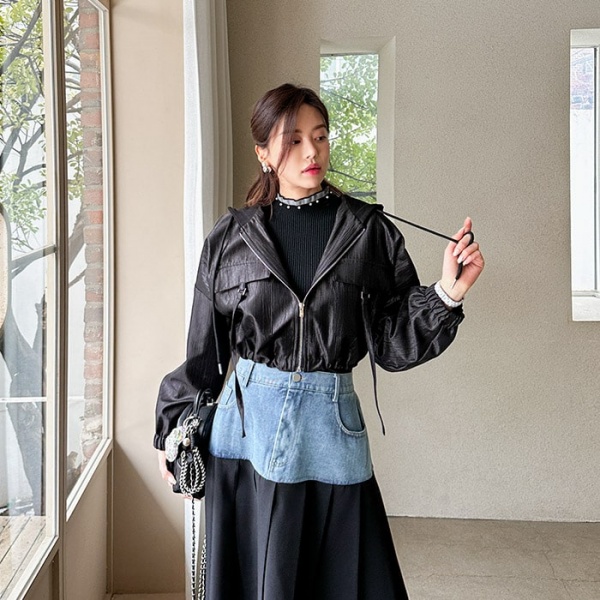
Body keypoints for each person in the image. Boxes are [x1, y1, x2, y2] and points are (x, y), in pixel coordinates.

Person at [154, 83, 484, 600]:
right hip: (245, 432)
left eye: (321, 136)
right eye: (293, 140)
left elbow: (391, 343)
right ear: (264, 153)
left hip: (332, 427)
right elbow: (205, 352)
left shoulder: (368, 231)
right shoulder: (231, 237)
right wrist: (175, 425)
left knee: (346, 578)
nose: (311, 151)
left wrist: (447, 292)